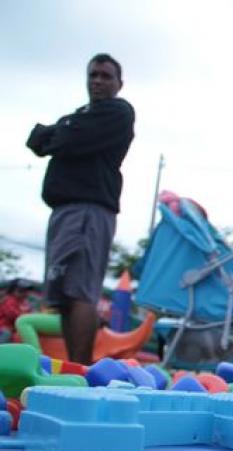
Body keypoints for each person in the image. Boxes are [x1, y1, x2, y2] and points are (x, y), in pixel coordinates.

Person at [26, 53, 135, 364]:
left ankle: (82, 370)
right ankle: (74, 368)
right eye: (93, 75)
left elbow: (62, 140)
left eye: (105, 76)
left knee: (79, 291)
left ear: (119, 83)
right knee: (62, 295)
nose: (97, 81)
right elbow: (37, 140)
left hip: (88, 211)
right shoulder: (81, 116)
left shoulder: (118, 111)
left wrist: (59, 132)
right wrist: (63, 130)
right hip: (65, 211)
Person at [0, 279, 33, 343]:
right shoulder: (9, 300)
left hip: (15, 329)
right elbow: (12, 315)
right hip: (3, 328)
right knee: (7, 333)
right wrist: (26, 315)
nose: (24, 293)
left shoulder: (25, 303)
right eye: (21, 290)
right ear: (12, 290)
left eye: (26, 291)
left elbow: (30, 315)